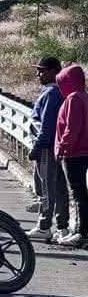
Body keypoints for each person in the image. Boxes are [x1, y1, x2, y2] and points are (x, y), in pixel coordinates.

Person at [30, 56, 68, 240]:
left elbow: (45, 125)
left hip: (47, 147)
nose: (38, 73)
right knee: (59, 186)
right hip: (59, 146)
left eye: (42, 70)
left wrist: (37, 146)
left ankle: (44, 225)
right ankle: (63, 226)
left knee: (46, 187)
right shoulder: (61, 91)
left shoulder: (51, 93)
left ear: (54, 72)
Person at [55, 64, 88, 248]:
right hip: (84, 150)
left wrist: (62, 147)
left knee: (78, 194)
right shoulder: (84, 96)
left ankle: (81, 232)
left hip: (74, 153)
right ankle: (81, 230)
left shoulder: (73, 98)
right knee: (82, 194)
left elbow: (71, 127)